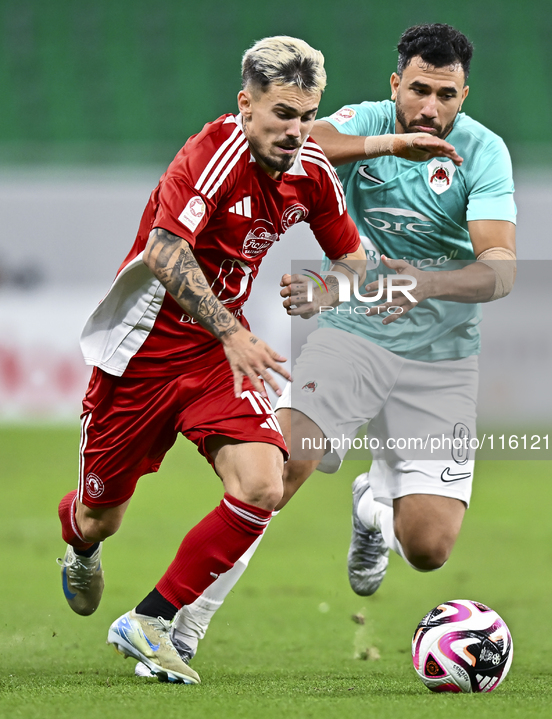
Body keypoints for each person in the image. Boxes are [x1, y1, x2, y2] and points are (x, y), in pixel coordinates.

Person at [135, 22, 516, 677]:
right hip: (353, 337)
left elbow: (499, 270)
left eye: (445, 95)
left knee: (427, 547)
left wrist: (419, 282)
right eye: (418, 90)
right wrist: (389, 144)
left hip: (441, 359)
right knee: (276, 473)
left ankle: (372, 506)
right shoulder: (368, 122)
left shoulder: (483, 153)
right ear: (396, 84)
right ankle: (182, 627)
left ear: (463, 94)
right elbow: (303, 140)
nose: (430, 107)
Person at [56, 35, 373, 685]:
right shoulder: (211, 154)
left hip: (215, 355)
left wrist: (325, 290)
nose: (296, 130)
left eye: (308, 114)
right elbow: (167, 252)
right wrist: (231, 328)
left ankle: (151, 619)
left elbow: (352, 260)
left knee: (263, 482)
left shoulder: (309, 170)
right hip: (139, 351)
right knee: (100, 513)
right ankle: (80, 544)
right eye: (282, 113)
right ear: (245, 103)